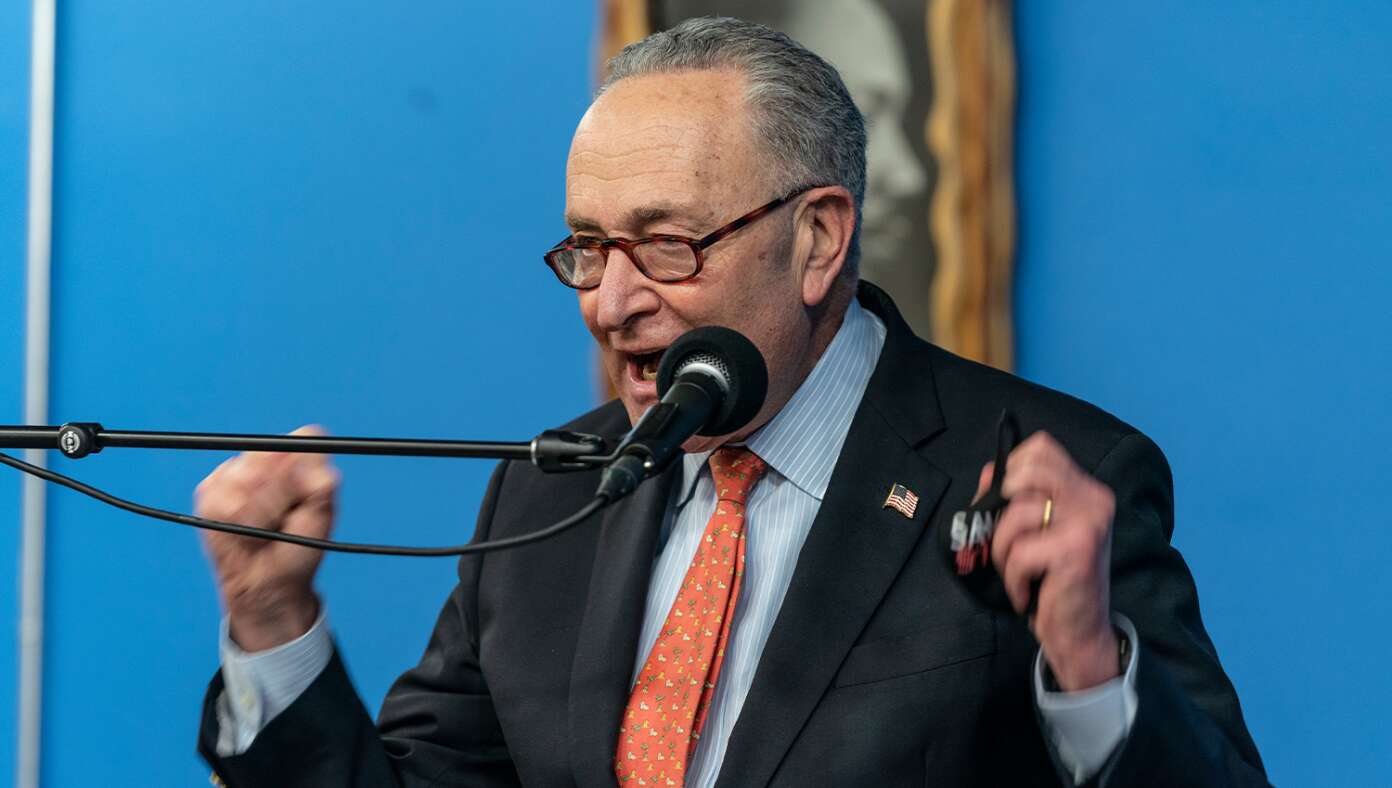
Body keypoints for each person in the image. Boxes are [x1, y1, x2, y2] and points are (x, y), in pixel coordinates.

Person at [195, 17, 1268, 787]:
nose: (611, 302)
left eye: (668, 244)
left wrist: (1088, 666)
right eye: (588, 247)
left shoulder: (1050, 470)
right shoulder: (548, 490)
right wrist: (274, 625)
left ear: (818, 239)